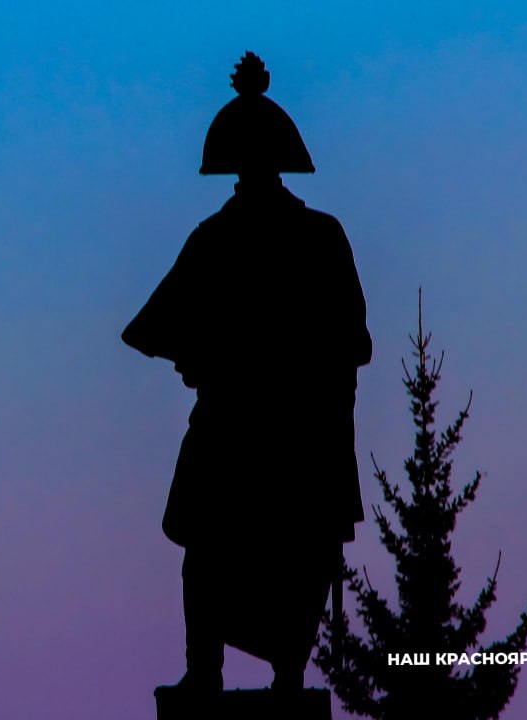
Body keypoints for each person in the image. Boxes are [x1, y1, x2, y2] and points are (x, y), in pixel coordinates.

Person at [122, 52, 371, 695]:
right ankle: (239, 671)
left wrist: (207, 358)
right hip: (287, 435)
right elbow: (153, 331)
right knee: (248, 553)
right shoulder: (313, 236)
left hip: (255, 430)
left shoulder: (224, 238)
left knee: (223, 553)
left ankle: (226, 672)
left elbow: (351, 344)